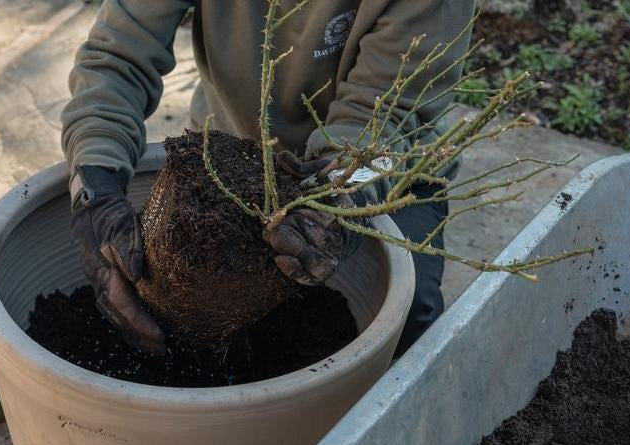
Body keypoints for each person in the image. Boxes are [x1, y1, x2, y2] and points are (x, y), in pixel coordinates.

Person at [62, 0, 475, 355]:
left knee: (405, 323)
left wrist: (336, 200)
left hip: (375, 168)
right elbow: (117, 57)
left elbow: (387, 118)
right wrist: (93, 187)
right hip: (229, 156)